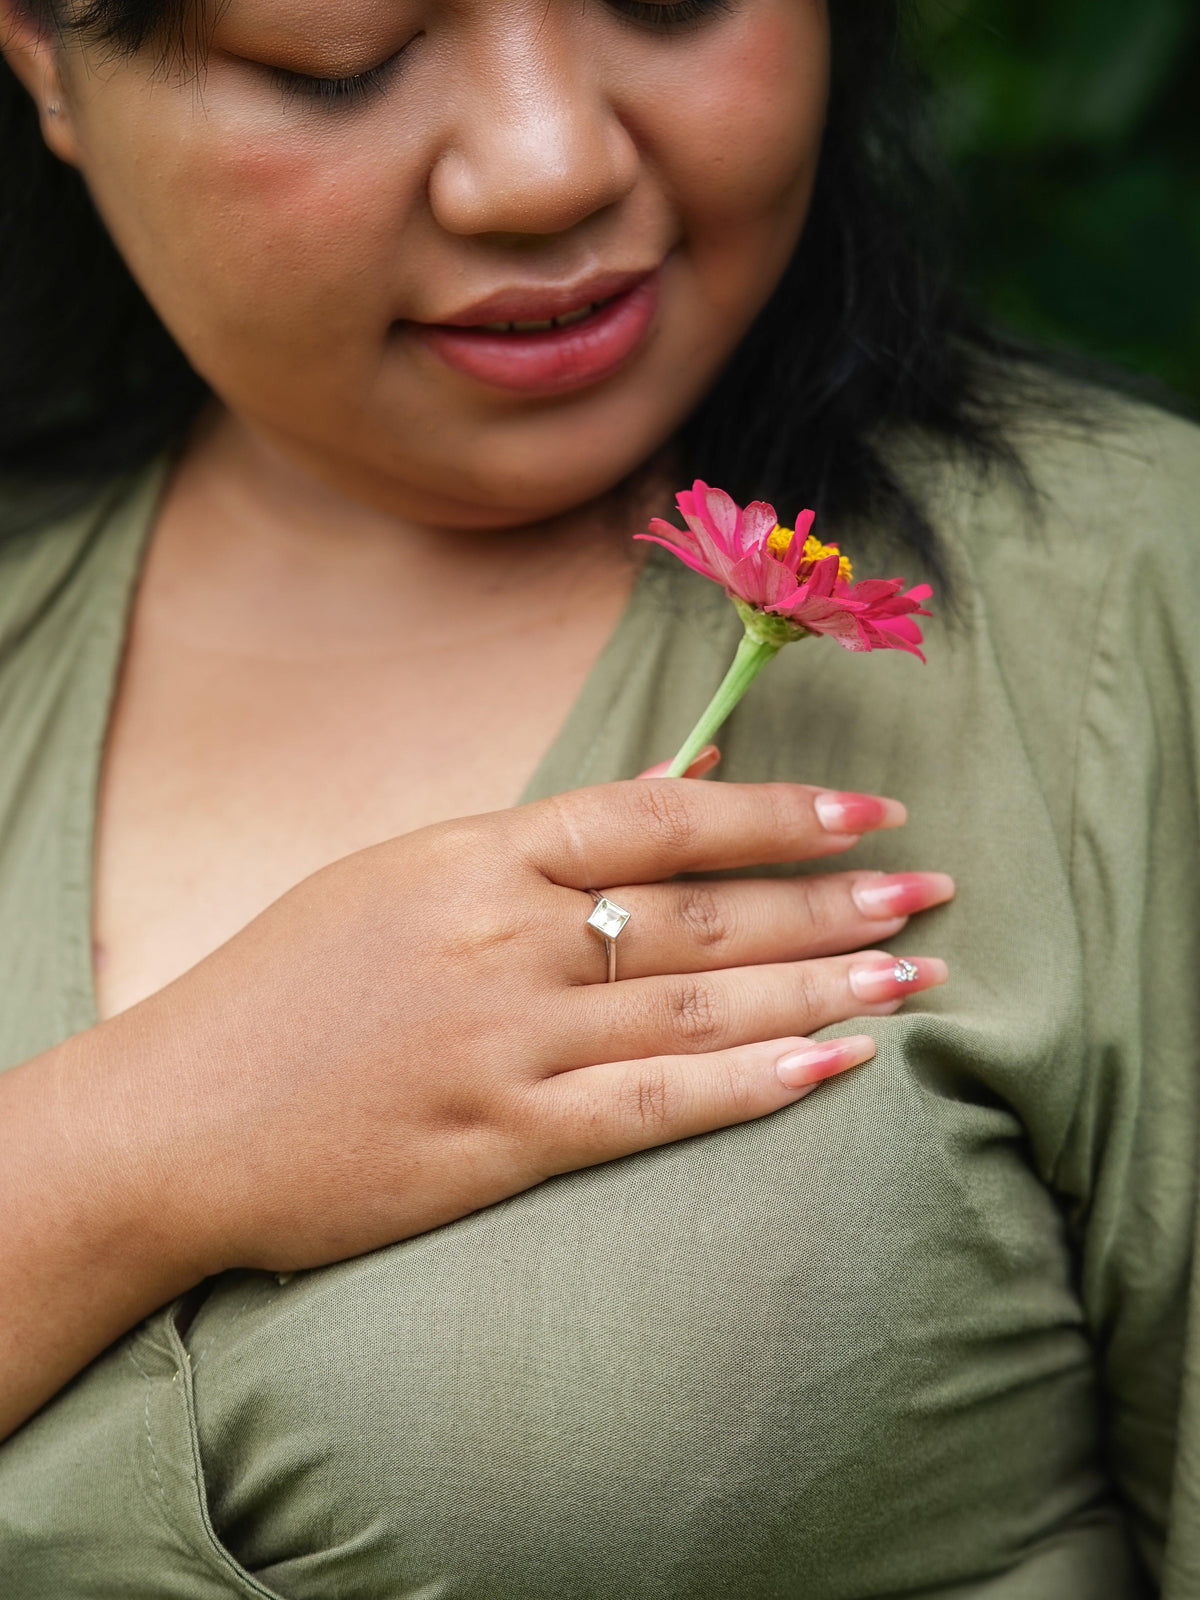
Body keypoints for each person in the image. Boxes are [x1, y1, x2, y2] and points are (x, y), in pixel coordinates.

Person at [0, 0, 1196, 1593]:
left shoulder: (1133, 618)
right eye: (340, 58)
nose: (549, 164)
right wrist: (137, 1137)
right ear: (46, 54)